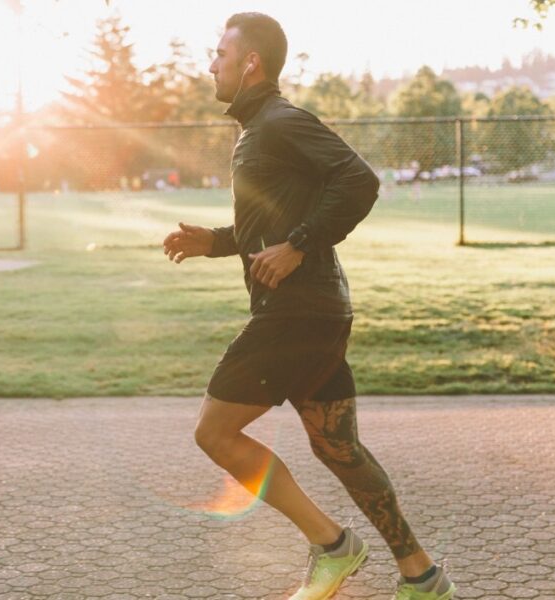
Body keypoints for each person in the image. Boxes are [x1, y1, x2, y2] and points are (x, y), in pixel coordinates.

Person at [162, 13, 456, 600]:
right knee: (338, 449)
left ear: (251, 62)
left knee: (215, 433)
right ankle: (423, 577)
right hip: (318, 311)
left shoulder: (280, 121)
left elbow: (360, 181)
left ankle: (333, 545)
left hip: (295, 313)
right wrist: (216, 242)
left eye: (220, 53)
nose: (211, 64)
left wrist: (298, 246)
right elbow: (272, 222)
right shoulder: (257, 130)